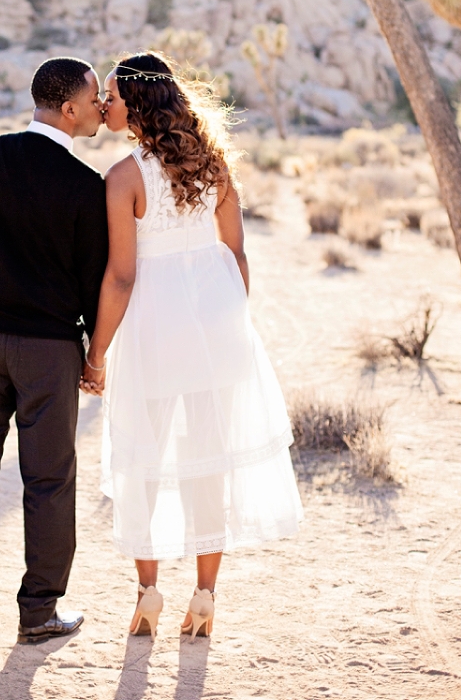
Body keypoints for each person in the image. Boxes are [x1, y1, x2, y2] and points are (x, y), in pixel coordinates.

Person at [80, 52, 302, 640]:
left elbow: (121, 277)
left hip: (153, 328)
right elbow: (236, 255)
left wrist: (97, 354)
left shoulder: (123, 178)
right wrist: (233, 326)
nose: (104, 104)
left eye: (111, 96)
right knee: (210, 461)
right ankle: (205, 597)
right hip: (215, 324)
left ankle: (148, 593)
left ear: (137, 104)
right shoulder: (215, 165)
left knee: (143, 460)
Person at [0, 56, 108, 644]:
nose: (101, 108)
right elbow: (94, 281)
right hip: (49, 353)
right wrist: (93, 352)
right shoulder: (86, 186)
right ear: (69, 109)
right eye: (94, 99)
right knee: (50, 478)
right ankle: (38, 612)